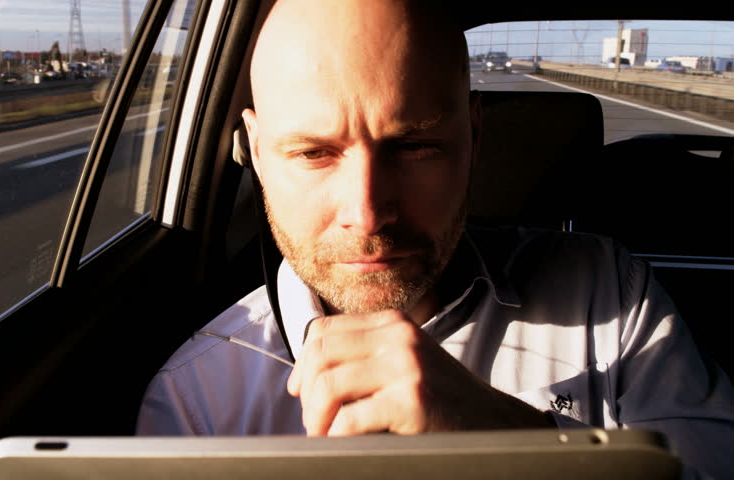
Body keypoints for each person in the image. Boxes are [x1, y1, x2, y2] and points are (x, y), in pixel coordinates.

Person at [137, 0, 734, 477]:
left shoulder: (610, 298)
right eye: (314, 154)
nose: (368, 214)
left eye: (415, 146)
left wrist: (512, 446)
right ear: (258, 154)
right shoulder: (197, 400)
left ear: (474, 137)